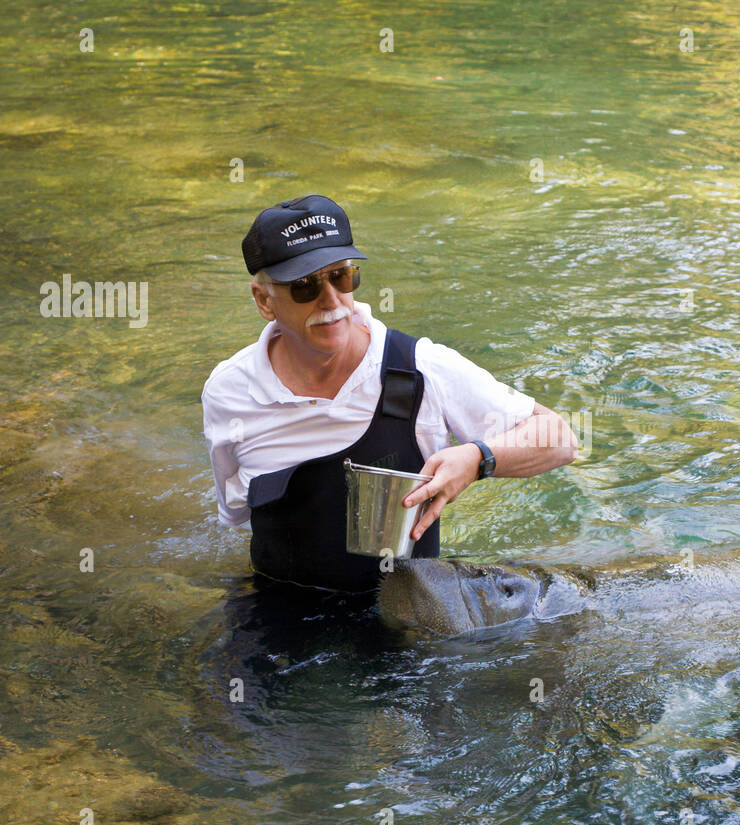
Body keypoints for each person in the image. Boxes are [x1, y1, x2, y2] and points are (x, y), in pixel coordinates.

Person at [201, 194, 577, 592]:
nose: (331, 301)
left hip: (408, 619)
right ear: (264, 300)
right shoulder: (229, 393)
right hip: (276, 609)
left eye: (341, 277)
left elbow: (560, 438)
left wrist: (476, 458)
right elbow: (235, 511)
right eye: (304, 286)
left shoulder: (421, 369)